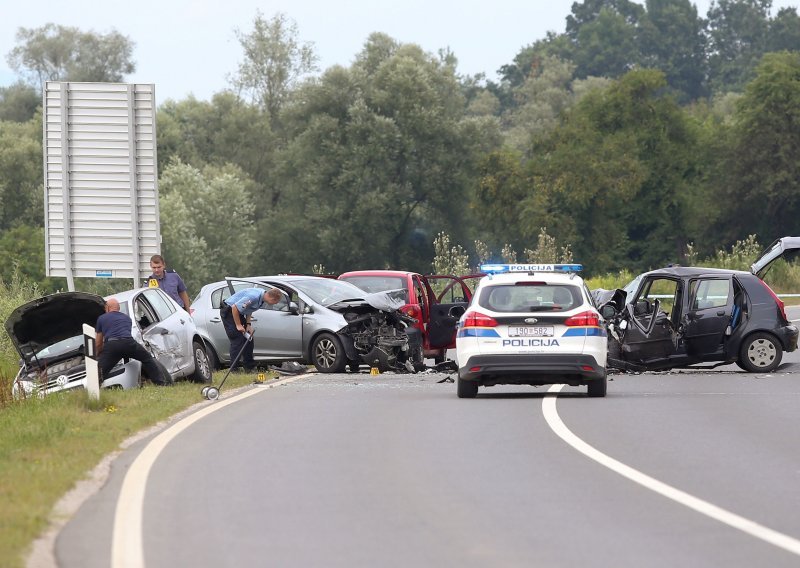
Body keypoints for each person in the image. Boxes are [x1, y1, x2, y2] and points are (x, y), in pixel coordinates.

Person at [95, 298, 171, 386]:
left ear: (107, 307)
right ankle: (160, 383)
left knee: (99, 371)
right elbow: (124, 335)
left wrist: (98, 353)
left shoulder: (102, 318)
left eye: (105, 308)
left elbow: (98, 342)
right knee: (147, 359)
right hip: (129, 343)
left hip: (112, 346)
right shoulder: (127, 318)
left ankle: (94, 390)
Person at [220, 288, 283, 371]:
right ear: (272, 298)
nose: (274, 304)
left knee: (249, 338)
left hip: (238, 313)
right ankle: (233, 369)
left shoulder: (262, 297)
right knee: (238, 339)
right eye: (275, 302)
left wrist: (248, 324)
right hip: (230, 312)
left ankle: (249, 367)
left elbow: (249, 309)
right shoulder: (253, 297)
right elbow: (235, 308)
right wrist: (238, 325)